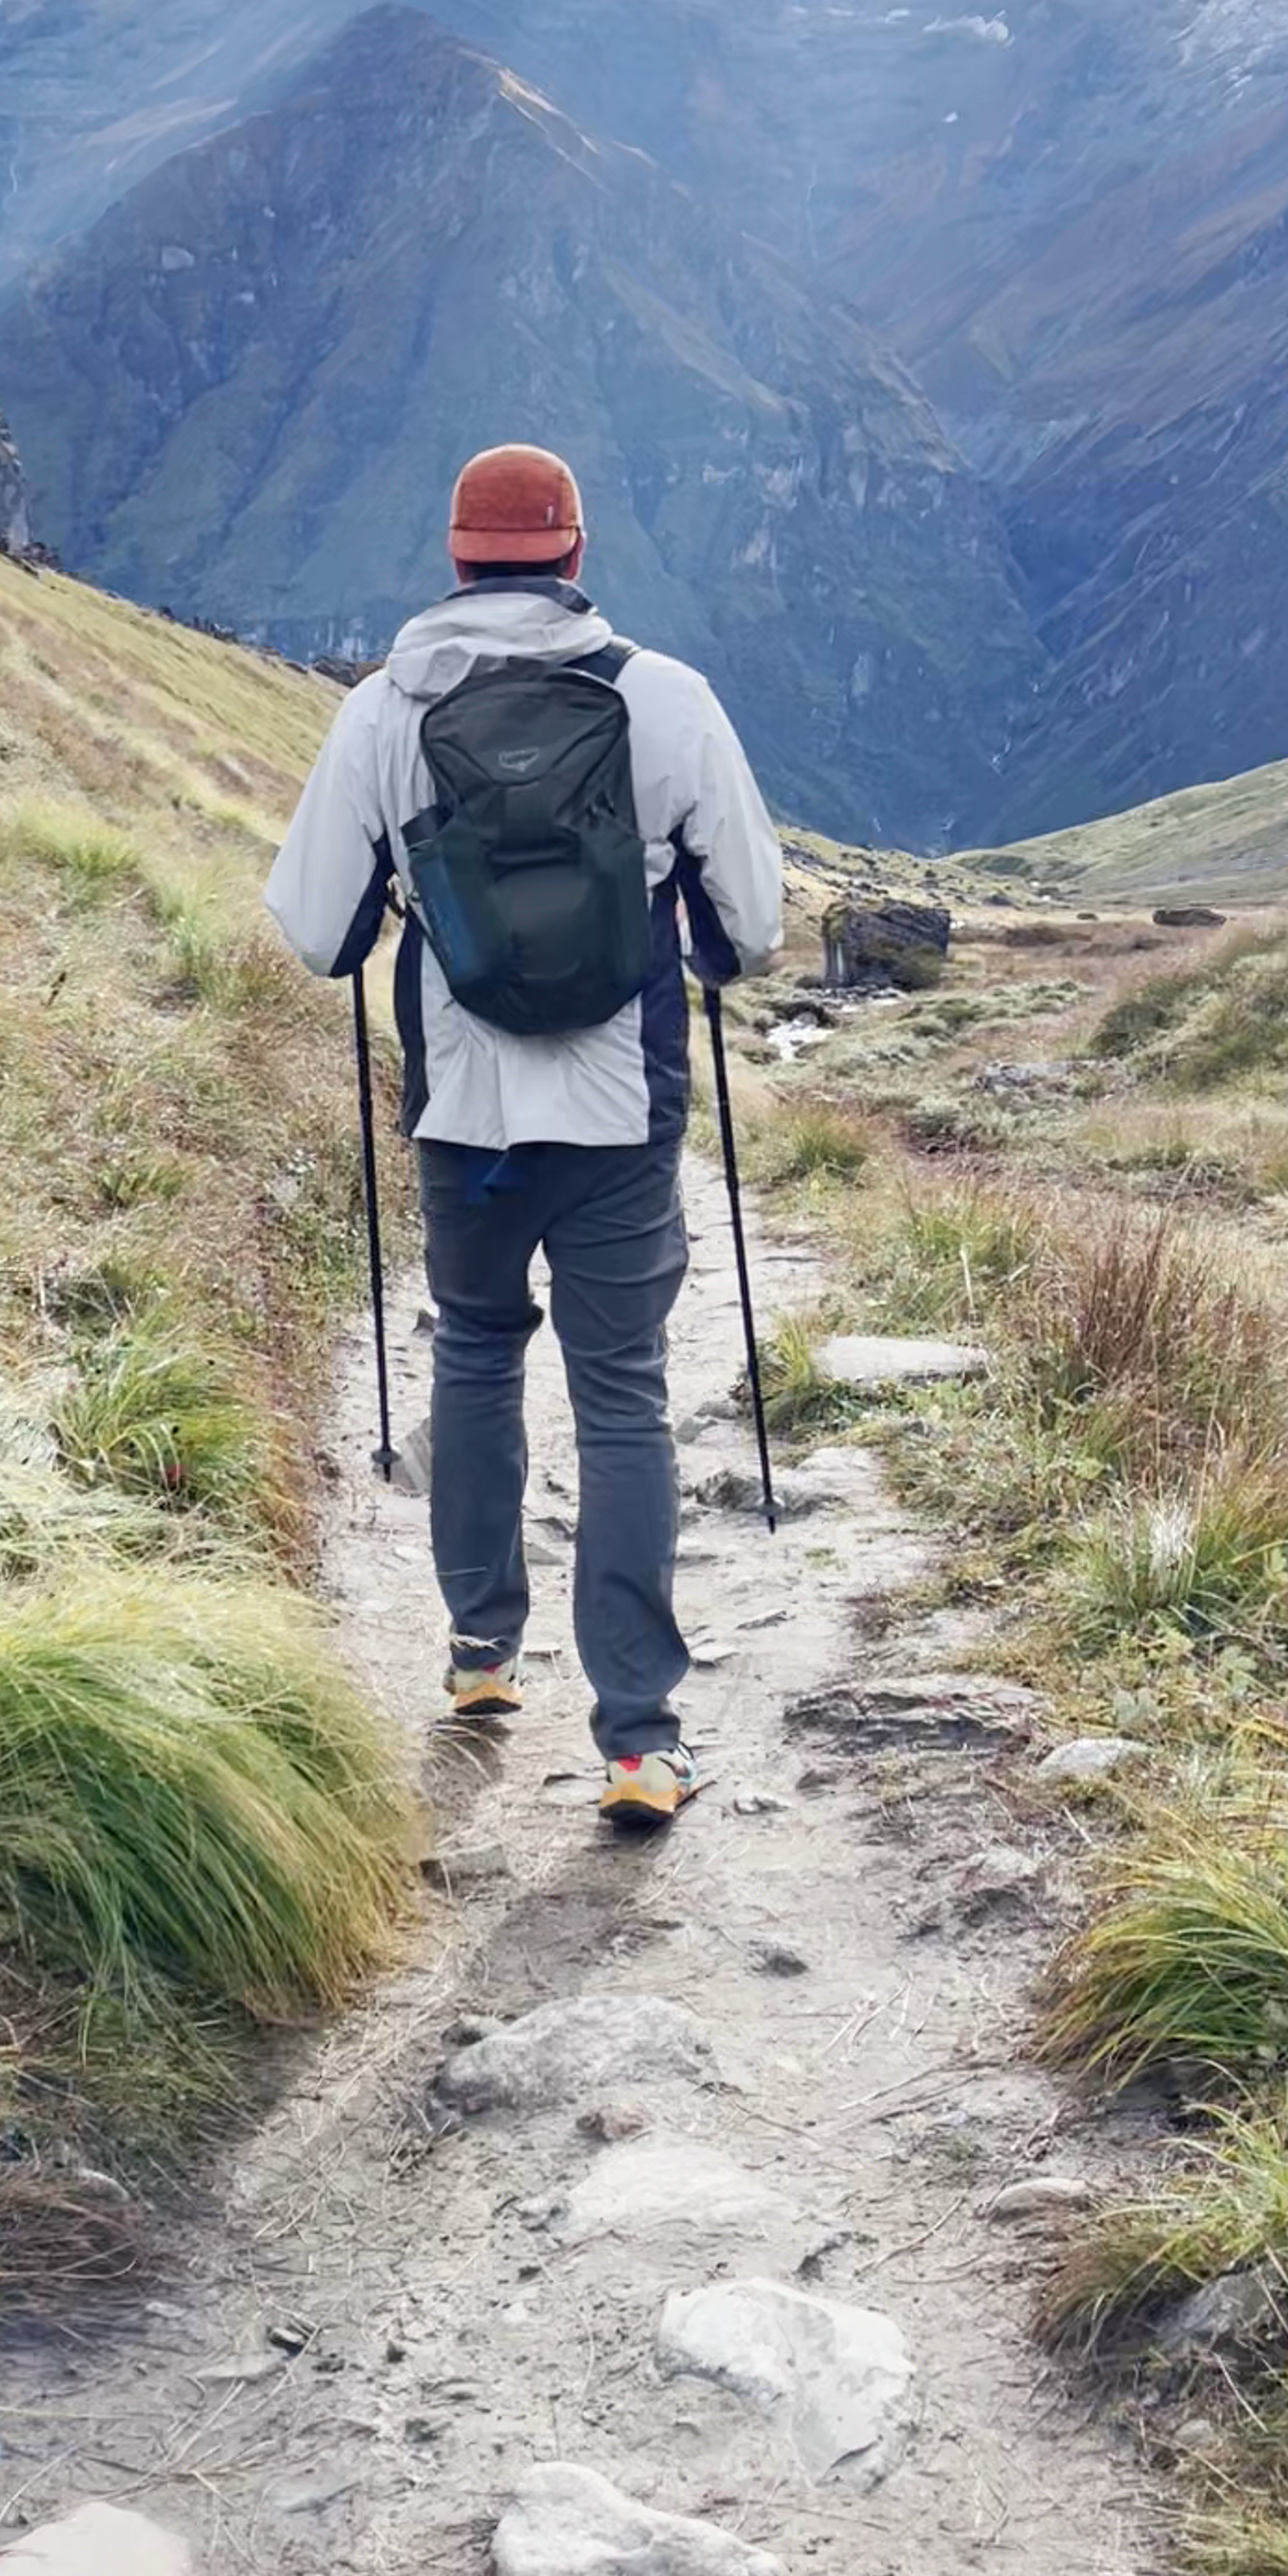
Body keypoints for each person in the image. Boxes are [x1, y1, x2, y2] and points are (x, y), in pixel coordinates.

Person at [264, 442, 783, 1827]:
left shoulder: (383, 713)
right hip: (621, 1119)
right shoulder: (668, 702)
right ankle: (640, 1741)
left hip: (467, 1121)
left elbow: (318, 931)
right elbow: (755, 928)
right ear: (574, 551)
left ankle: (483, 1654)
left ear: (455, 553)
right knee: (624, 1405)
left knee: (480, 1358)